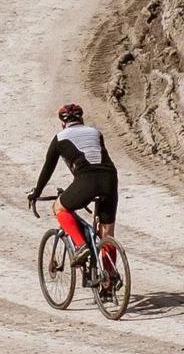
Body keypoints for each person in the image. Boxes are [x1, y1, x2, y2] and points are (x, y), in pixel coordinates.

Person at [28, 103, 118, 271]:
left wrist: (36, 193)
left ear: (62, 124)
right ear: (82, 119)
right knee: (107, 232)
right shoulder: (96, 133)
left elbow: (48, 168)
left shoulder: (60, 137)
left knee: (59, 207)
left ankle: (81, 245)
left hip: (87, 179)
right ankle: (110, 280)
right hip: (110, 178)